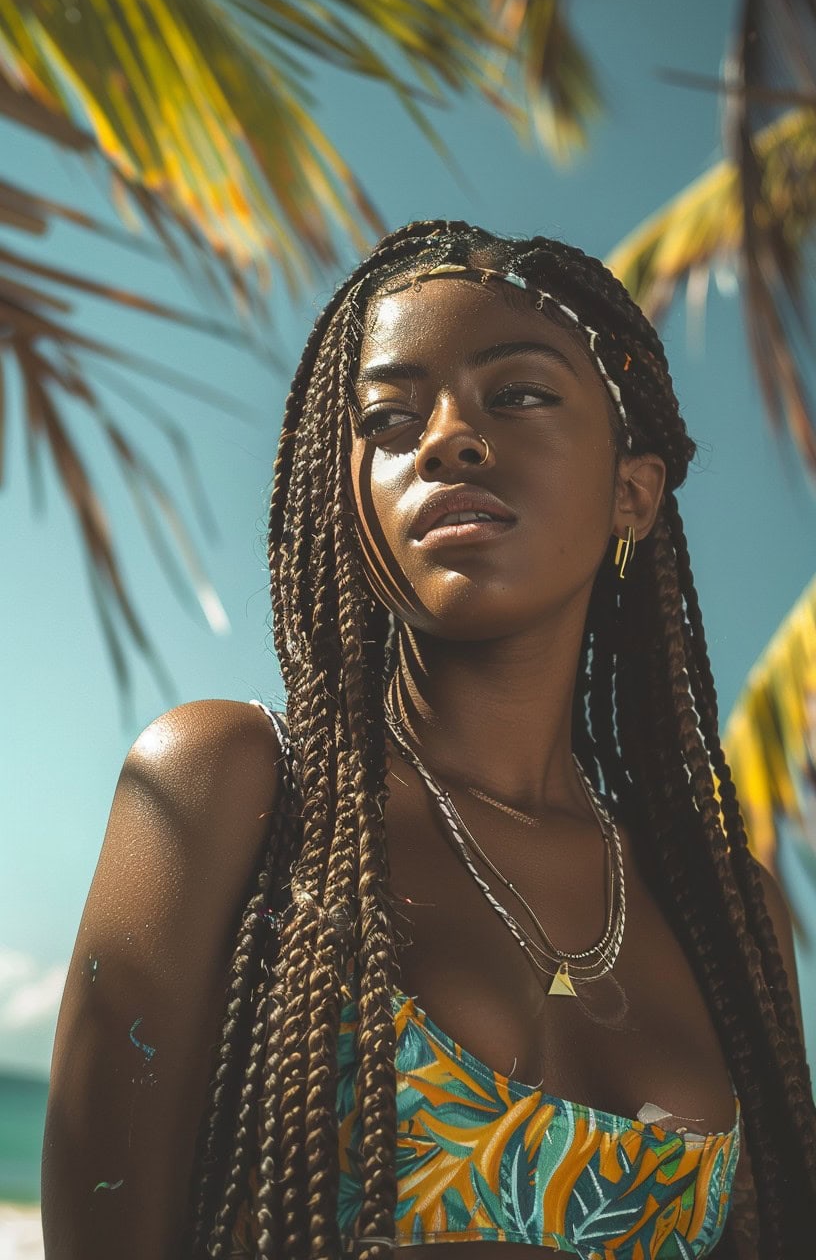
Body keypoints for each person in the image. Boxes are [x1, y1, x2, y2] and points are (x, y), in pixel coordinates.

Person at [42, 220, 816, 1260]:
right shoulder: (228, 785)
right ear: (349, 497)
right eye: (389, 419)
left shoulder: (725, 908)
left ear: (634, 490)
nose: (446, 437)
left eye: (520, 394)